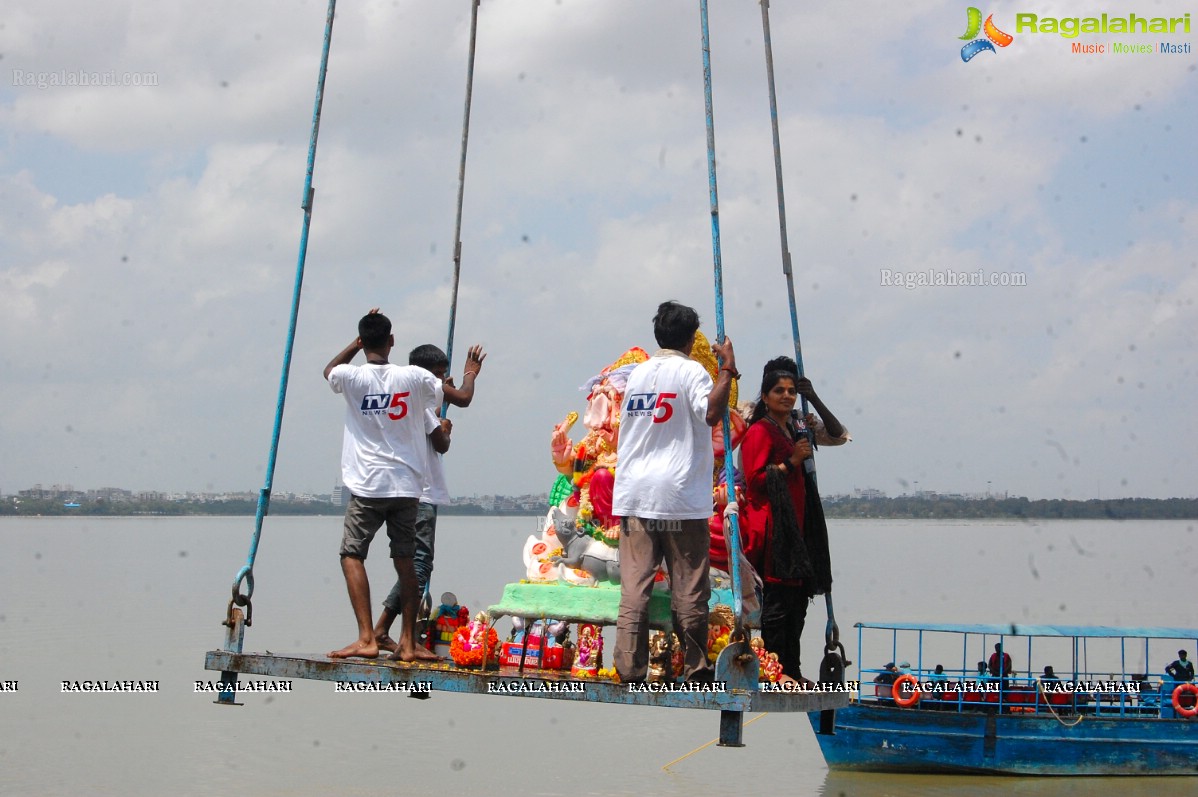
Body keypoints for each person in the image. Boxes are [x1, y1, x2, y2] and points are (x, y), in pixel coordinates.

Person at [612, 301, 736, 685]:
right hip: (680, 494)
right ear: (690, 338)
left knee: (635, 587)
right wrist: (727, 369)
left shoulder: (637, 375)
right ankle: (696, 669)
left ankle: (629, 669)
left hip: (635, 493)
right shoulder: (692, 372)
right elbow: (712, 413)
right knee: (689, 587)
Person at [323, 309, 446, 662]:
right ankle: (407, 643)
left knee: (352, 555)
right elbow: (441, 394)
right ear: (392, 341)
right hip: (407, 485)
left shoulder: (351, 377)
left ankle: (367, 637)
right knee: (405, 561)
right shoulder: (412, 377)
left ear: (363, 343)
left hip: (368, 485)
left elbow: (328, 370)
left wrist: (355, 342)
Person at [738, 358, 847, 686]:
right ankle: (775, 669)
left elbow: (839, 434)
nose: (786, 396)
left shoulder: (799, 426)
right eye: (778, 391)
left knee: (798, 601)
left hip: (800, 524)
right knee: (780, 602)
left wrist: (810, 396)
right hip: (773, 525)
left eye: (790, 391)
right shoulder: (759, 430)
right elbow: (756, 480)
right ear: (766, 396)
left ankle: (793, 669)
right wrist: (792, 461)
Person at [372, 343, 486, 655]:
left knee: (417, 563)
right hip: (420, 493)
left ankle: (386, 630)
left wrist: (438, 415)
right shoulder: (420, 405)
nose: (440, 382)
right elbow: (442, 442)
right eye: (437, 377)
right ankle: (386, 630)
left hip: (409, 491)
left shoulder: (409, 402)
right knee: (419, 565)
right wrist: (469, 376)